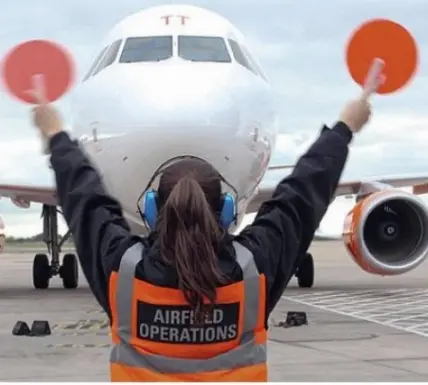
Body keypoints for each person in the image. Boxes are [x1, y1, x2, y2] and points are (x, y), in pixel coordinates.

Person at [30, 88, 372, 381]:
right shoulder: (254, 270)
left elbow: (85, 199)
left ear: (151, 210)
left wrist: (57, 134)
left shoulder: (124, 273)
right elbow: (302, 195)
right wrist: (344, 128)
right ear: (224, 211)